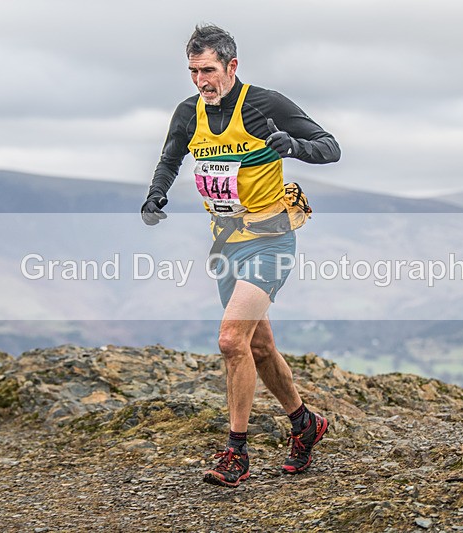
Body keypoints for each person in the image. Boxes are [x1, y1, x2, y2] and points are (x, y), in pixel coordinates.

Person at [141, 24, 341, 488]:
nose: (200, 81)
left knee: (231, 340)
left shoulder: (264, 105)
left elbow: (330, 148)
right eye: (193, 71)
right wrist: (156, 195)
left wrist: (293, 146)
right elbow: (171, 157)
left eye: (208, 70)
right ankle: (304, 424)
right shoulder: (188, 112)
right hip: (226, 244)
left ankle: (236, 451)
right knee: (258, 346)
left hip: (272, 240)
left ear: (232, 66)